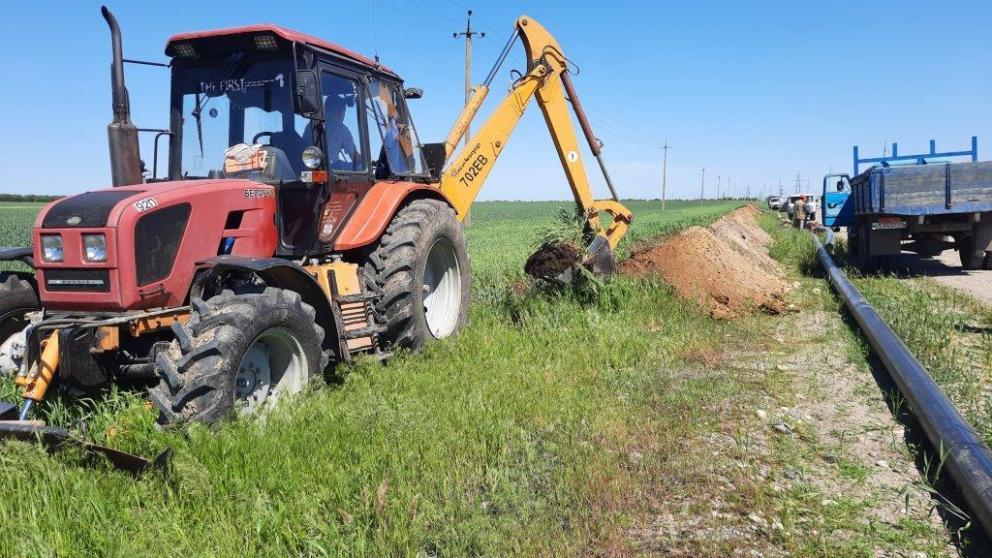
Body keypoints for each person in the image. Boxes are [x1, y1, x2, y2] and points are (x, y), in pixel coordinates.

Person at [324, 96, 361, 171]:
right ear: (340, 111)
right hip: (331, 167)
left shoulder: (311, 124)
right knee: (362, 167)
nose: (344, 115)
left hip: (310, 164)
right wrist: (367, 162)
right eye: (345, 112)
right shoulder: (340, 127)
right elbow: (354, 156)